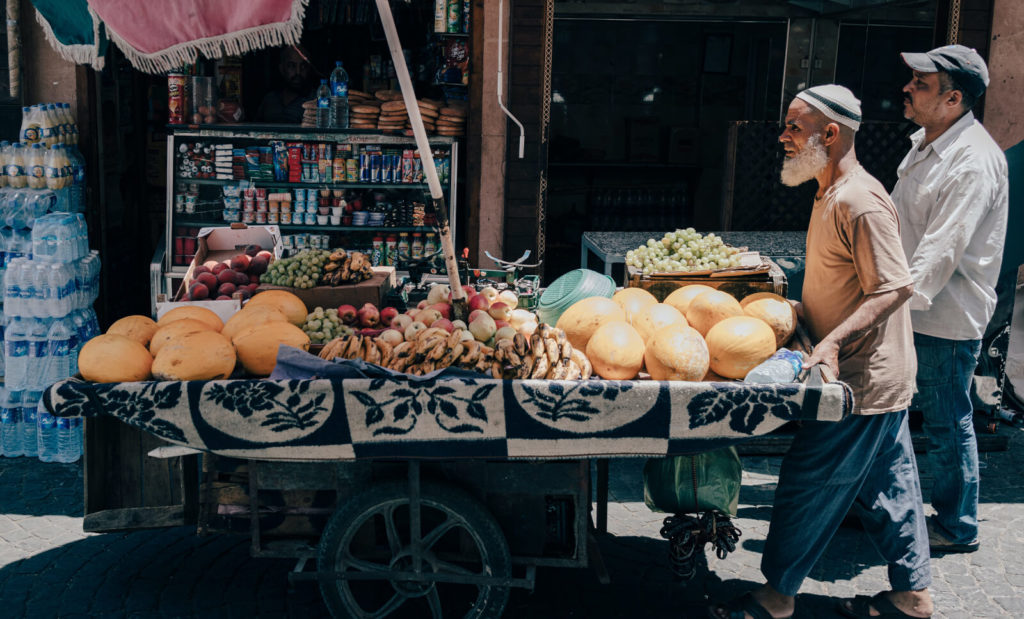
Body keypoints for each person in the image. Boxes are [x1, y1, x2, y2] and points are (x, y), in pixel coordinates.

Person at [709, 85, 933, 619]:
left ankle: (776, 598)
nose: (783, 137)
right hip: (875, 378)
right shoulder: (829, 191)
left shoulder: (859, 200)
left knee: (808, 484)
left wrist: (831, 342)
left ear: (829, 134)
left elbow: (893, 287)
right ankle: (913, 598)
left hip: (856, 379)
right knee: (891, 491)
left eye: (794, 126)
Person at [890, 45, 1008, 554]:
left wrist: (884, 307)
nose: (907, 88)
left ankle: (957, 527)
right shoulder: (926, 143)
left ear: (953, 99)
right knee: (889, 413)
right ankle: (883, 503)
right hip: (908, 306)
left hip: (942, 316)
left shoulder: (973, 161)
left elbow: (939, 251)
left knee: (944, 422)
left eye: (921, 83)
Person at [257, 45, 315, 124]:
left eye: (303, 66)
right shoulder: (270, 99)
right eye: (292, 66)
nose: (298, 72)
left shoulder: (315, 101)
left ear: (308, 69)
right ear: (282, 69)